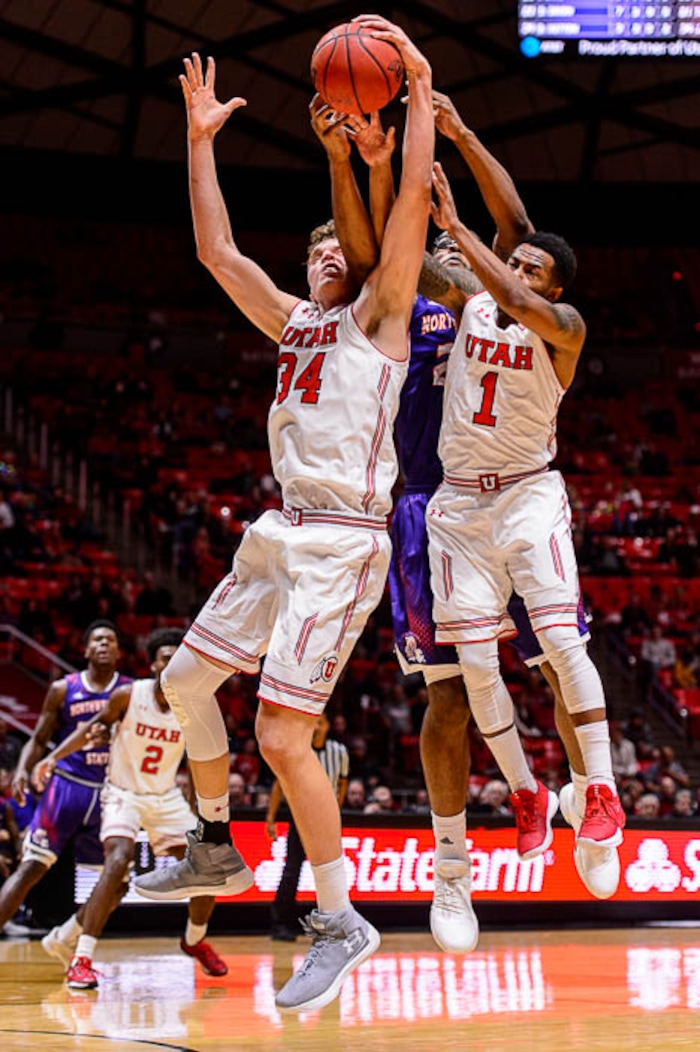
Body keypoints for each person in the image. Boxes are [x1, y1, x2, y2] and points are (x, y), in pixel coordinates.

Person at [134, 16, 434, 1015]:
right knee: (182, 680)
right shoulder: (294, 319)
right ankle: (215, 836)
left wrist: (418, 93)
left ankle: (341, 915)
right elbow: (217, 248)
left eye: (328, 245)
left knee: (281, 729)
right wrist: (199, 139)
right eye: (307, 250)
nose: (318, 258)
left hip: (341, 540)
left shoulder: (381, 315)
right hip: (279, 529)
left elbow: (399, 231)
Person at [312, 87, 619, 952]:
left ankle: (591, 799)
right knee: (451, 692)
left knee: (562, 662)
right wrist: (371, 161)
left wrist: (456, 148)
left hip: (519, 489)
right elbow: (380, 252)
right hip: (432, 505)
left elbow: (517, 229)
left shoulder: (510, 288)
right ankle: (456, 875)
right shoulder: (422, 285)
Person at [425, 157, 626, 868]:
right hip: (457, 504)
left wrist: (455, 225)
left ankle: (599, 787)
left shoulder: (563, 324)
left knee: (563, 645)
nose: (516, 270)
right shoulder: (470, 293)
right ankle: (524, 791)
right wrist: (405, 160)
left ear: (556, 286)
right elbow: (404, 267)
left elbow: (513, 285)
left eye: (533, 267)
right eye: (516, 262)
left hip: (527, 494)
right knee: (476, 664)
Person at [33, 628, 227, 989]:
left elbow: (202, 763)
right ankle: (82, 958)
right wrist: (51, 758)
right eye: (166, 659)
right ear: (154, 665)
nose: (173, 665)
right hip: (123, 793)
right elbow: (91, 730)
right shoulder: (128, 695)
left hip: (166, 797)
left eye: (178, 660)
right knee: (119, 861)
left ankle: (194, 940)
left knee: (209, 865)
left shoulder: (196, 708)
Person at [0, 621, 129, 938]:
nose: (103, 644)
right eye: (97, 639)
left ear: (119, 651)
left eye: (110, 640)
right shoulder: (63, 688)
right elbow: (40, 737)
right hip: (67, 785)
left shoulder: (130, 690)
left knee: (118, 885)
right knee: (32, 865)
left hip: (110, 792)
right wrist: (21, 770)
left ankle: (67, 938)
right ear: (86, 650)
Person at [266, 712, 348, 942]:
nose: (317, 727)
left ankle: (330, 924)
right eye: (314, 723)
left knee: (329, 873)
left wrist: (335, 812)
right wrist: (270, 819)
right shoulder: (297, 751)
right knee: (292, 870)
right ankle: (280, 923)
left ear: (328, 726)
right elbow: (278, 785)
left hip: (325, 819)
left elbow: (343, 783)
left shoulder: (339, 752)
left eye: (321, 722)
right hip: (300, 816)